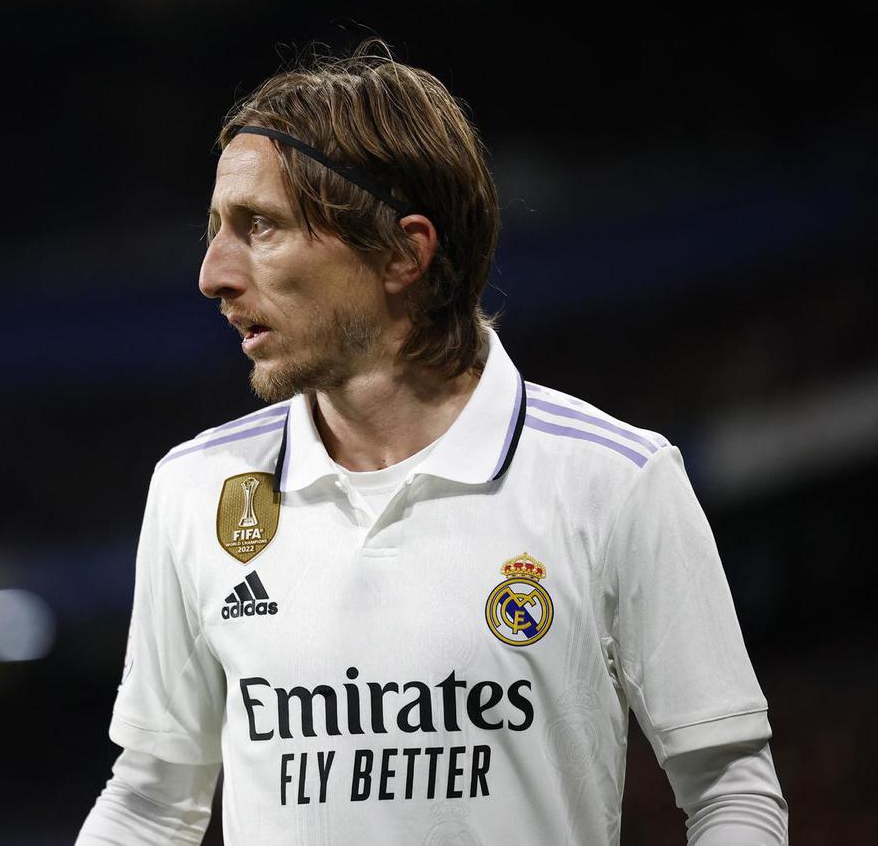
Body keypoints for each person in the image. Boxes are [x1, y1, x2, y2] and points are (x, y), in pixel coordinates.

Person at [76, 41, 788, 845]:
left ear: (403, 252)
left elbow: (730, 788)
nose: (213, 274)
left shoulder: (615, 480)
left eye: (261, 226)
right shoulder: (197, 488)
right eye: (215, 230)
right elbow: (149, 801)